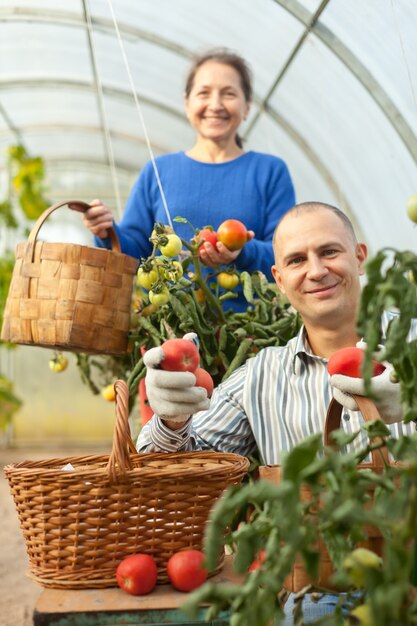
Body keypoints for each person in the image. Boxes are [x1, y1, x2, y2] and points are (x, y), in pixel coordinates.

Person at [136, 201, 416, 623]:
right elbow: (168, 475)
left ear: (360, 257)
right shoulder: (261, 377)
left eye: (330, 252)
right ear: (279, 280)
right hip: (321, 595)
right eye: (297, 260)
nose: (316, 270)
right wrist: (171, 418)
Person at [82, 48, 295, 310]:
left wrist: (242, 253)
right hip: (169, 325)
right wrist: (107, 232)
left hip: (250, 331)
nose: (215, 105)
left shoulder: (270, 171)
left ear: (247, 106)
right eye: (204, 93)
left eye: (228, 94)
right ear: (187, 104)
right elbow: (136, 253)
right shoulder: (158, 170)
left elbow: (288, 255)